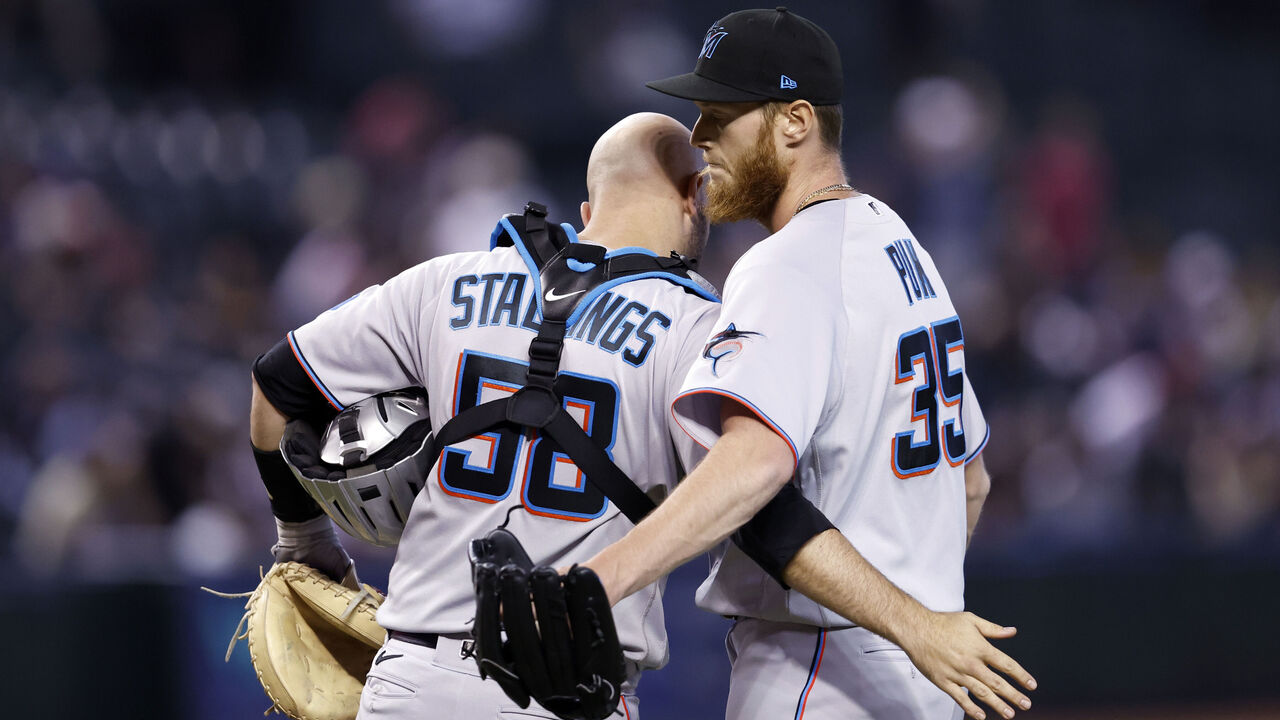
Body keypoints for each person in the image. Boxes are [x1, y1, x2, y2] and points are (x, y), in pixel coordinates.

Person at [578, 8, 1036, 720]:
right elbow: (971, 481)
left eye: (719, 114)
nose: (699, 142)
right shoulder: (899, 244)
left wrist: (594, 582)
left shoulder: (787, 264)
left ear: (794, 122)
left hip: (823, 669)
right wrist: (914, 619)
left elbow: (753, 469)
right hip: (927, 670)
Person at [248, 111, 727, 720]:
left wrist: (303, 538)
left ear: (588, 213)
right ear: (694, 197)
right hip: (564, 691)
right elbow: (745, 490)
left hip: (410, 683)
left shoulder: (445, 281)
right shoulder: (700, 331)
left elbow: (277, 385)